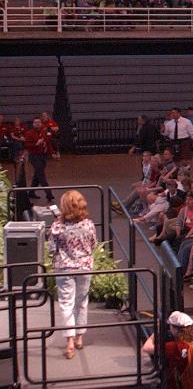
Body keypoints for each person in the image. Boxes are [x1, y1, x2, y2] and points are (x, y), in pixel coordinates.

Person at [49, 190, 98, 359]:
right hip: (84, 267)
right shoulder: (89, 225)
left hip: (64, 268)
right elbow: (93, 245)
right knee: (82, 302)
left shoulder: (57, 227)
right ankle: (79, 338)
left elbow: (50, 249)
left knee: (66, 303)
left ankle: (69, 341)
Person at [143, 311, 193, 389]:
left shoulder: (176, 347)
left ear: (175, 328)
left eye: (171, 326)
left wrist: (156, 331)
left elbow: (146, 347)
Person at [20, 116, 53, 201]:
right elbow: (26, 145)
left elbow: (48, 143)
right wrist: (36, 144)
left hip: (43, 156)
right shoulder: (29, 133)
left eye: (39, 122)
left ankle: (31, 193)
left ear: (41, 123)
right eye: (36, 122)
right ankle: (49, 194)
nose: (37, 124)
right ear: (33, 124)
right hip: (34, 157)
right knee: (41, 175)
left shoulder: (44, 132)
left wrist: (52, 153)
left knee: (37, 175)